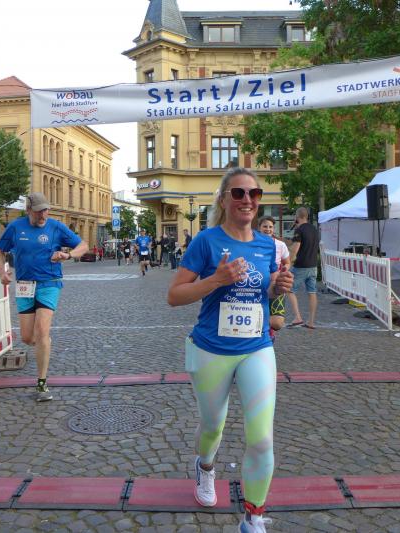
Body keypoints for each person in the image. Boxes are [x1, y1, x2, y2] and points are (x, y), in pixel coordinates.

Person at [167, 167, 293, 533]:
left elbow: (264, 290)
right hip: (211, 349)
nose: (247, 200)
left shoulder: (267, 245)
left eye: (254, 193)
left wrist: (277, 287)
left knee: (262, 437)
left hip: (257, 347)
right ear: (224, 200)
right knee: (213, 426)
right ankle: (205, 466)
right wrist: (216, 279)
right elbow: (174, 295)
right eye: (238, 193)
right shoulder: (206, 242)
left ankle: (253, 518)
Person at [0, 192, 88, 402]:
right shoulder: (16, 227)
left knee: (42, 330)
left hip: (49, 283)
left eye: (46, 210)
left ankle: (42, 383)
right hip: (25, 285)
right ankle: (43, 342)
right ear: (28, 210)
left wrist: (68, 255)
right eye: (39, 212)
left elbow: (83, 245)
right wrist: (2, 272)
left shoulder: (56, 227)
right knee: (28, 337)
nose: (43, 215)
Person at [286, 207, 319, 329]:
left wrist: (288, 263)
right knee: (312, 292)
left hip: (301, 265)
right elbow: (294, 242)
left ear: (297, 216)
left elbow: (295, 249)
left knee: (289, 289)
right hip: (313, 266)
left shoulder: (299, 230)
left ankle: (298, 318)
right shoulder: (314, 229)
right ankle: (311, 322)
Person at [259, 215, 290, 336]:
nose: (268, 229)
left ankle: (267, 332)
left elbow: (287, 262)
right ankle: (261, 332)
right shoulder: (253, 243)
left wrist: (284, 271)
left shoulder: (280, 245)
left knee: (277, 322)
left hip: (275, 281)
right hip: (259, 281)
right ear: (259, 228)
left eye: (270, 227)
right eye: (265, 226)